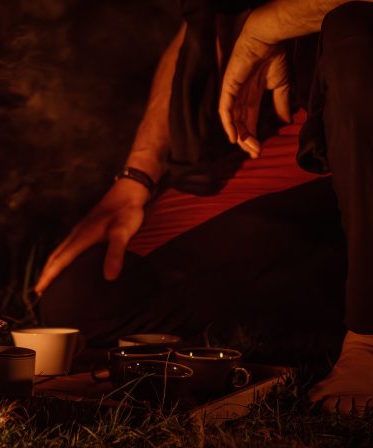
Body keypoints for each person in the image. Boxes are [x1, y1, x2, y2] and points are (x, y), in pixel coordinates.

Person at [34, 0, 372, 413]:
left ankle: (367, 337)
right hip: (289, 139)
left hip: (362, 120)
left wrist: (275, 21)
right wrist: (137, 175)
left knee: (353, 30)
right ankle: (324, 299)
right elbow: (203, 24)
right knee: (87, 297)